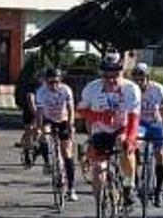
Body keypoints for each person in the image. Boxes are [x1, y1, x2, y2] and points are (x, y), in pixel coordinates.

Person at [76, 52, 141, 208]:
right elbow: (80, 110)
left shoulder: (131, 89)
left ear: (122, 72)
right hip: (101, 131)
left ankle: (128, 185)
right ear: (102, 73)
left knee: (123, 143)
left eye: (115, 74)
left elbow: (134, 118)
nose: (111, 79)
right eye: (107, 75)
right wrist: (99, 116)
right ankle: (101, 206)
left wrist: (130, 140)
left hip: (123, 128)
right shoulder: (92, 88)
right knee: (98, 168)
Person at [32, 67, 78, 200]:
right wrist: (39, 128)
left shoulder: (66, 90)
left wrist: (71, 125)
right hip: (48, 119)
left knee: (67, 153)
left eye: (57, 82)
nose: (54, 85)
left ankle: (71, 188)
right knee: (44, 135)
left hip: (63, 120)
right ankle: (47, 162)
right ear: (46, 81)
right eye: (51, 82)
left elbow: (70, 110)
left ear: (60, 81)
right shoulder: (41, 92)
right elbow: (40, 112)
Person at [131, 62, 163, 207]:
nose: (139, 81)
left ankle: (158, 189)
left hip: (155, 124)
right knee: (131, 147)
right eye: (136, 78)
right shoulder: (131, 90)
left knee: (161, 155)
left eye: (141, 78)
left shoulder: (158, 89)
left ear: (147, 77)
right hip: (139, 124)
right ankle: (135, 180)